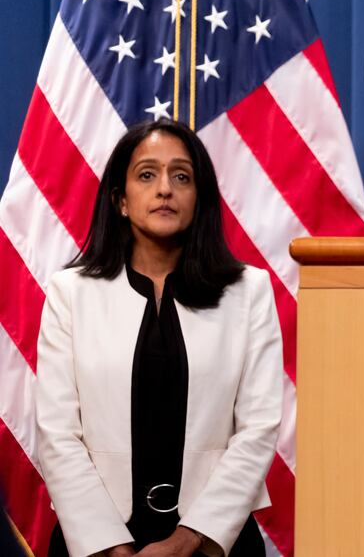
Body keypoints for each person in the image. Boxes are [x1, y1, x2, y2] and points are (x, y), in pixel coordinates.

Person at [36, 120, 282, 557]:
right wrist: (110, 547)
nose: (164, 188)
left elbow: (258, 428)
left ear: (199, 198)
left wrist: (186, 540)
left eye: (181, 176)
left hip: (210, 542)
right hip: (96, 544)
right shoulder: (69, 294)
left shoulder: (249, 292)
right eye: (147, 174)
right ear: (121, 201)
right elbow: (57, 433)